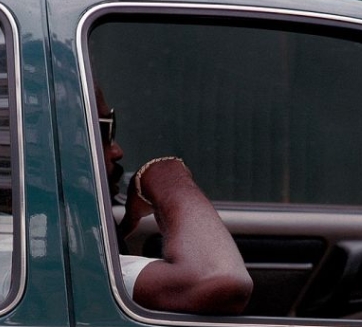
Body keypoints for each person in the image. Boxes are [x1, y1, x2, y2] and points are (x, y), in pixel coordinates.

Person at [96, 87, 252, 315]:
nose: (117, 151)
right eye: (103, 130)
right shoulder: (72, 263)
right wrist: (164, 174)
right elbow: (219, 279)